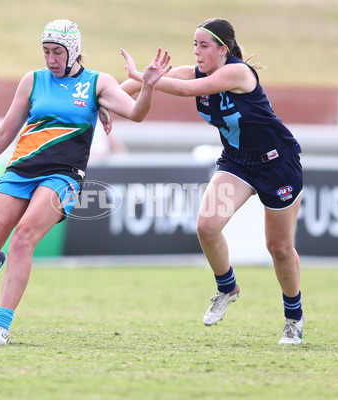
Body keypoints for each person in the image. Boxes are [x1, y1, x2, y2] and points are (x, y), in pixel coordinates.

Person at [0, 19, 171, 345]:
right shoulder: (32, 81)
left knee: (23, 237)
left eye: (57, 52)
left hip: (64, 176)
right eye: (46, 51)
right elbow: (4, 133)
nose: (51, 58)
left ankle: (0, 326)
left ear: (73, 51)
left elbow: (137, 113)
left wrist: (149, 85)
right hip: (19, 172)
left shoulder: (97, 83)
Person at [121, 18, 305, 344]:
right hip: (237, 162)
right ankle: (227, 288)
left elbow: (185, 89)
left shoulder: (238, 73)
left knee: (278, 248)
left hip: (277, 163)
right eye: (194, 45)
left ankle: (294, 317)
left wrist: (145, 79)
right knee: (206, 226)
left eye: (204, 45)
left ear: (223, 49)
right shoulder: (194, 70)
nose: (197, 52)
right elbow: (137, 88)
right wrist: (103, 106)